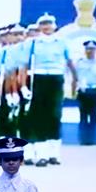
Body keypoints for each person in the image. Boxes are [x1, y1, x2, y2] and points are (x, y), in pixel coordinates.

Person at [18, 13, 77, 166]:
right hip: (39, 78)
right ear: (39, 27)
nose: (47, 26)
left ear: (54, 25)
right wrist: (23, 85)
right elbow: (24, 66)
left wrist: (75, 82)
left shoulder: (62, 42)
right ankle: (41, 154)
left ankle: (54, 153)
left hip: (56, 79)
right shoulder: (33, 43)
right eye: (43, 24)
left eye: (49, 23)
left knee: (55, 115)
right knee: (40, 116)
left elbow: (70, 63)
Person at [74, 40, 96, 146]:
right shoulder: (79, 62)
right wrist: (73, 91)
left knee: (94, 116)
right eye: (88, 49)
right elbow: (75, 78)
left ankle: (93, 140)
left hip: (95, 91)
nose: (90, 51)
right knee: (83, 117)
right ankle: (83, 140)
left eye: (92, 49)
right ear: (85, 50)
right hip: (83, 92)